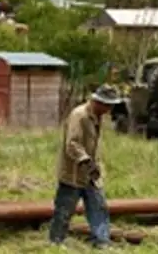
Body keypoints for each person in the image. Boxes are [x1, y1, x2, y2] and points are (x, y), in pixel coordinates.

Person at [49, 84, 121, 248]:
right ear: (99, 102)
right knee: (64, 210)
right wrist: (86, 161)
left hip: (91, 173)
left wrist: (94, 166)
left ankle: (101, 241)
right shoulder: (79, 115)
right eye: (108, 105)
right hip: (73, 173)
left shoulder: (98, 116)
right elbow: (72, 144)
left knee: (99, 207)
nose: (110, 109)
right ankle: (56, 241)